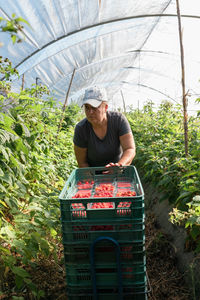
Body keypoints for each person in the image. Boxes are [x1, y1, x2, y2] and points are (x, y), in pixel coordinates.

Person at [73, 86, 136, 168]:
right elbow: (82, 163)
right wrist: (93, 178)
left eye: (94, 107)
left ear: (105, 107)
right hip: (93, 172)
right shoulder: (81, 129)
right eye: (87, 108)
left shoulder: (118, 120)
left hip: (117, 171)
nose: (90, 112)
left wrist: (119, 165)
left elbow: (129, 149)